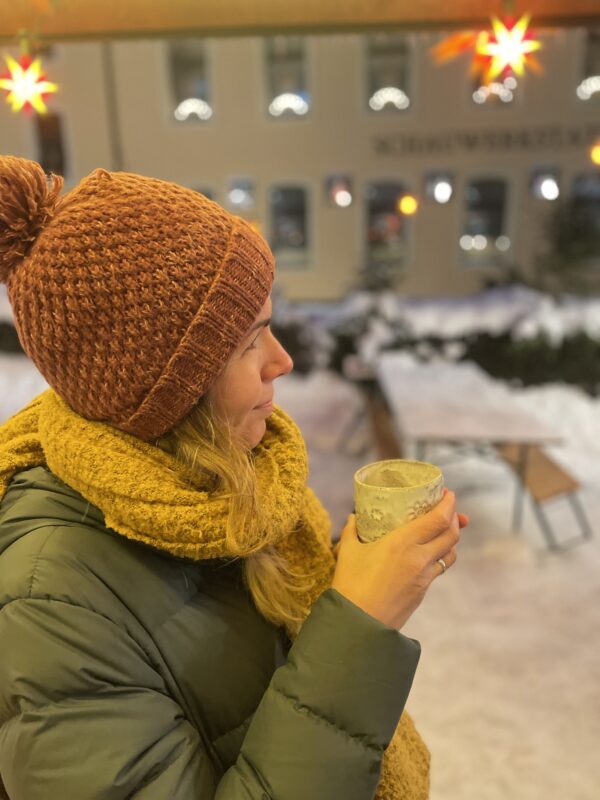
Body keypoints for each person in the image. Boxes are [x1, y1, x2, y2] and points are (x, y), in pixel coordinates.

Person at [0, 157, 466, 800]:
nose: (283, 361)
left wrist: (355, 575)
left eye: (269, 326)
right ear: (171, 389)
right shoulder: (51, 605)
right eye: (249, 341)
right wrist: (357, 625)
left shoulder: (227, 483)